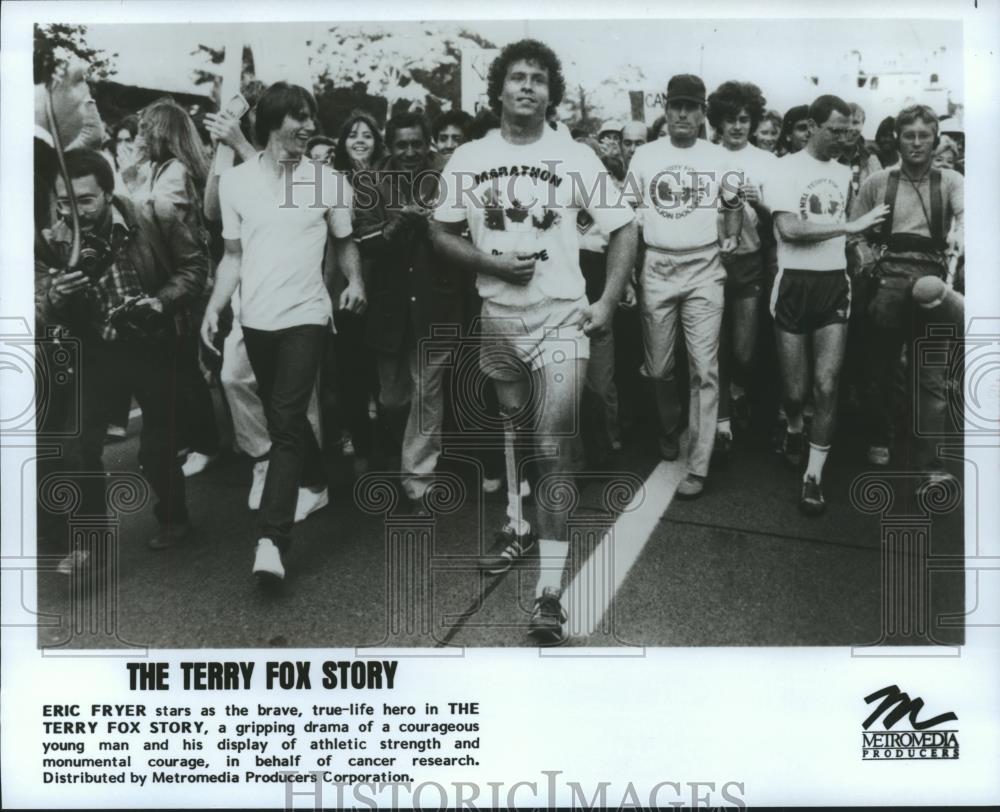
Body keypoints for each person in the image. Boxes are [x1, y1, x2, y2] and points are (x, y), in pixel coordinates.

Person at [431, 39, 638, 642]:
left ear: (551, 93)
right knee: (513, 431)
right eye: (517, 76)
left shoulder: (574, 156)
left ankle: (549, 593)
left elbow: (624, 227)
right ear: (498, 88)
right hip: (498, 316)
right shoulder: (470, 156)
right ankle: (516, 525)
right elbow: (440, 232)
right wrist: (490, 263)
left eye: (539, 79)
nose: (527, 86)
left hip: (560, 318)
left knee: (553, 446)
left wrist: (606, 302)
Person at [201, 82, 366, 584]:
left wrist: (355, 281)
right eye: (300, 117)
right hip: (256, 318)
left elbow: (345, 241)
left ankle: (271, 541)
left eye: (312, 117)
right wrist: (215, 306)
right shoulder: (235, 183)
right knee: (282, 414)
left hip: (307, 315)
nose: (310, 126)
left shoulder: (328, 181)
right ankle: (315, 481)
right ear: (272, 122)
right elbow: (232, 255)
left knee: (286, 420)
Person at [40, 148, 209, 564]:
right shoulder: (53, 239)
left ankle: (174, 518)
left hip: (154, 346)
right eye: (64, 202)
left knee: (156, 449)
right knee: (78, 446)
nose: (73, 213)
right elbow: (41, 304)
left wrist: (161, 302)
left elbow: (194, 268)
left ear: (108, 192)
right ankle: (90, 539)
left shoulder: (155, 214)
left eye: (85, 200)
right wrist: (55, 295)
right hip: (97, 350)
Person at [768, 95, 888, 515]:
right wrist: (848, 227)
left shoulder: (844, 172)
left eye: (848, 130)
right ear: (813, 126)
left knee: (826, 385)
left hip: (833, 283)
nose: (842, 138)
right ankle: (794, 426)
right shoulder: (784, 168)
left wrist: (857, 246)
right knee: (795, 393)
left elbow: (849, 229)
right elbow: (789, 228)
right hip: (793, 283)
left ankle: (813, 477)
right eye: (835, 130)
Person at [629, 73, 742, 499]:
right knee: (658, 367)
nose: (682, 114)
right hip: (658, 265)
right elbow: (626, 214)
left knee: (704, 368)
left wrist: (731, 235)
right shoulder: (644, 155)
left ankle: (699, 464)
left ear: (701, 113)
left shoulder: (720, 159)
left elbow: (733, 204)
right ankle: (669, 424)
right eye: (676, 105)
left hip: (704, 266)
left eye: (691, 107)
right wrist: (629, 271)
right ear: (666, 109)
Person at [353, 111, 465, 510]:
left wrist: (431, 225)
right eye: (401, 145)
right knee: (393, 400)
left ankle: (419, 480)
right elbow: (367, 244)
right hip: (389, 309)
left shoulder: (448, 177)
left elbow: (462, 233)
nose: (410, 152)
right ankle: (406, 456)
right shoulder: (371, 182)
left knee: (427, 394)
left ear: (428, 142)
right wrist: (401, 220)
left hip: (436, 304)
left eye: (417, 143)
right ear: (389, 146)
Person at [850, 104, 963, 482]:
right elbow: (854, 232)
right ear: (897, 139)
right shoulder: (877, 182)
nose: (916, 143)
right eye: (909, 136)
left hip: (932, 283)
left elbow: (967, 215)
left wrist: (961, 232)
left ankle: (932, 465)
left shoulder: (950, 181)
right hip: (888, 279)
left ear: (935, 139)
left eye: (923, 136)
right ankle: (880, 436)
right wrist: (865, 257)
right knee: (879, 372)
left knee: (930, 379)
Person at [135, 98, 221, 478]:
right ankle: (200, 438)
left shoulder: (173, 172)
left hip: (187, 279)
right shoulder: (167, 168)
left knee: (187, 369)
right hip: (188, 277)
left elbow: (151, 212)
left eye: (145, 131)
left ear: (161, 134)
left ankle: (207, 444)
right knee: (186, 365)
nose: (139, 138)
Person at [706, 80, 777, 456]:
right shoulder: (704, 157)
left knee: (745, 352)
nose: (737, 126)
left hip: (749, 261)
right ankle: (722, 424)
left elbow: (781, 221)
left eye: (744, 119)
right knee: (714, 348)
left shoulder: (767, 162)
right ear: (718, 121)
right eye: (730, 119)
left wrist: (760, 202)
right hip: (709, 260)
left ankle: (738, 391)